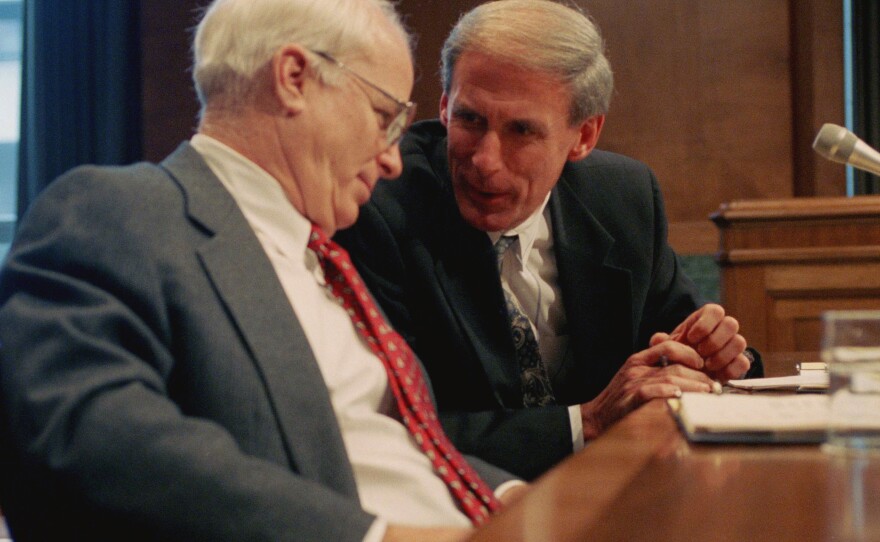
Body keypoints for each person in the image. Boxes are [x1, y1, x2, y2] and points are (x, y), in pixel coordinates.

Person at [0, 1, 522, 540]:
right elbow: (81, 442)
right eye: (385, 116)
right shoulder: (119, 211)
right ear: (295, 78)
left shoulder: (327, 259)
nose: (392, 159)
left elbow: (388, 443)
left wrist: (513, 498)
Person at [335, 0, 762, 481]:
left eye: (521, 130)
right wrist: (589, 422)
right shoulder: (379, 207)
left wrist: (718, 358)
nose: (484, 160)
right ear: (443, 106)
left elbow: (684, 339)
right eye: (470, 119)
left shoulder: (623, 198)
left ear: (584, 135)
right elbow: (390, 429)